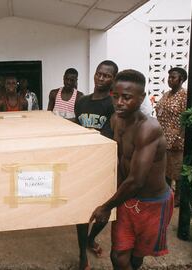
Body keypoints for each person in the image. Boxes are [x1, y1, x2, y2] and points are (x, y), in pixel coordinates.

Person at [89, 69, 173, 270]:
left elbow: (137, 180)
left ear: (141, 97)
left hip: (152, 203)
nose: (119, 102)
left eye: (126, 98)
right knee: (118, 255)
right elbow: (116, 159)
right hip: (127, 199)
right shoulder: (115, 120)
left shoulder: (148, 129)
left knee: (137, 256)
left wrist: (106, 206)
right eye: (115, 96)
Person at [74, 60, 117, 270]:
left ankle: (91, 239)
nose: (101, 78)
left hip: (104, 165)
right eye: (99, 74)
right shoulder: (81, 101)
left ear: (113, 80)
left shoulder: (113, 104)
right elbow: (78, 125)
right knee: (81, 213)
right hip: (82, 163)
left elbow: (112, 134)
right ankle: (82, 254)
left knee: (103, 213)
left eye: (107, 75)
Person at [155, 67, 187, 207]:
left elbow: (186, 120)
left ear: (181, 80)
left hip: (176, 141)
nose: (170, 80)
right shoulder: (166, 94)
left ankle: (179, 198)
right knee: (165, 169)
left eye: (173, 77)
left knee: (177, 171)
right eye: (169, 77)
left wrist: (179, 138)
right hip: (163, 138)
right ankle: (167, 195)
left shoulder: (184, 96)